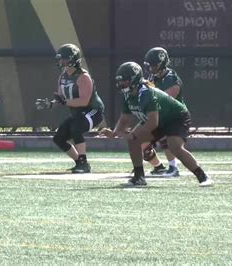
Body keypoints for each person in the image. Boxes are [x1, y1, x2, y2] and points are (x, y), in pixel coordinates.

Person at [101, 62, 212, 187]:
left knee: (174, 145)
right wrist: (114, 132)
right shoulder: (127, 95)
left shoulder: (146, 93)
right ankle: (139, 177)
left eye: (125, 81)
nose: (121, 84)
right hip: (158, 119)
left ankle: (202, 176)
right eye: (120, 81)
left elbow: (153, 123)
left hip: (175, 117)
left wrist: (133, 135)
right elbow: (124, 119)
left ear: (133, 79)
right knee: (133, 141)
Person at [36, 43, 105, 173]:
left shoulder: (83, 77)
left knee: (76, 127)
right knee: (59, 138)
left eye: (64, 59)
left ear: (73, 59)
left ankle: (83, 163)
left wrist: (64, 102)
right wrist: (50, 104)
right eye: (60, 59)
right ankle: (79, 162)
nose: (61, 61)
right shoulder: (63, 76)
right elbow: (61, 99)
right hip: (78, 113)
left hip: (93, 112)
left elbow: (84, 101)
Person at [142, 47, 185, 177]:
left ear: (161, 64)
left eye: (153, 65)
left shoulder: (171, 77)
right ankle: (158, 167)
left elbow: (168, 99)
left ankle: (173, 167)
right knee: (138, 139)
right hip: (160, 114)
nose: (151, 68)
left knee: (166, 138)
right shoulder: (152, 76)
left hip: (175, 115)